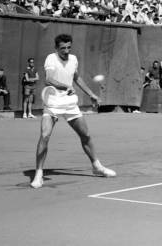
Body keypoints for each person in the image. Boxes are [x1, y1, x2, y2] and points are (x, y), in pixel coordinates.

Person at [30, 33, 116, 189]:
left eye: (69, 47)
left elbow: (77, 78)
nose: (66, 51)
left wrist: (91, 94)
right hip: (53, 103)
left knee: (86, 135)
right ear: (56, 48)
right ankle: (38, 174)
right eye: (63, 48)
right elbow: (48, 79)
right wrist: (65, 86)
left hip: (70, 104)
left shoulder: (74, 59)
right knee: (45, 135)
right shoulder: (51, 58)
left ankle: (96, 166)